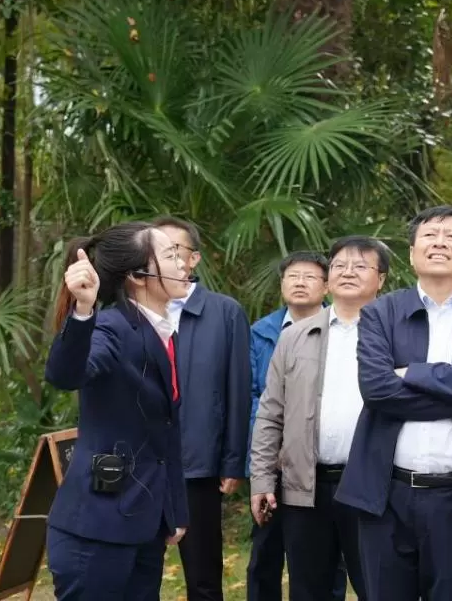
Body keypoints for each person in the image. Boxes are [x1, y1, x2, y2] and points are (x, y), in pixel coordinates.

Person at [336, 205, 452, 601]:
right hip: (386, 495)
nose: (439, 243)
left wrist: (411, 373)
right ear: (412, 253)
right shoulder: (380, 312)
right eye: (429, 235)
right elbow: (377, 388)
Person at [44, 223, 191, 599]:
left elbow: (166, 431)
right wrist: (83, 310)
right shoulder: (110, 326)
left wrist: (174, 510)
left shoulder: (164, 332)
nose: (184, 263)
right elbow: (65, 374)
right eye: (171, 256)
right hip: (96, 530)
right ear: (138, 276)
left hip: (144, 524)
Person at [252, 236, 391, 600]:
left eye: (360, 266)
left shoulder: (396, 335)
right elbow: (270, 413)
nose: (348, 272)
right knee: (308, 589)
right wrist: (262, 478)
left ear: (381, 279)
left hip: (373, 486)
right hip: (305, 487)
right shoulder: (294, 336)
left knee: (379, 587)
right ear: (328, 278)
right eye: (340, 265)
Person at [154, 216, 251, 601]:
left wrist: (232, 460)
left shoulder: (225, 312)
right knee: (136, 571)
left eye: (173, 250)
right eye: (155, 250)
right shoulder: (133, 311)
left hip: (198, 464)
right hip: (143, 463)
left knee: (203, 575)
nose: (164, 258)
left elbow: (238, 390)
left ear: (193, 259)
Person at [246, 251, 343, 601]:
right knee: (265, 553)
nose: (300, 283)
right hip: (273, 462)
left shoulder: (343, 331)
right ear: (282, 283)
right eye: (293, 276)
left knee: (326, 562)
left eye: (310, 277)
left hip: (324, 466)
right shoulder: (262, 332)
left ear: (326, 286)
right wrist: (265, 456)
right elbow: (254, 397)